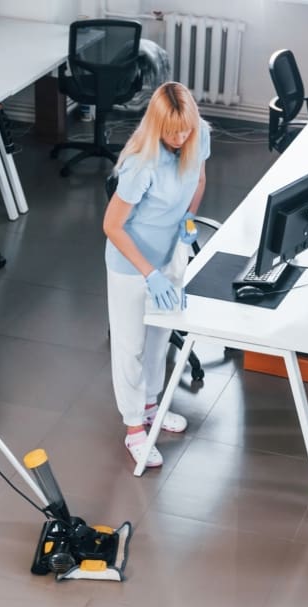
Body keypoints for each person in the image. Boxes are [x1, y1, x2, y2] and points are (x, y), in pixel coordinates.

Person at [102, 82, 210, 468]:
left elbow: (199, 179)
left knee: (160, 339)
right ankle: (134, 427)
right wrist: (149, 273)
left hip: (169, 253)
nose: (180, 139)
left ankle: (151, 408)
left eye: (186, 130)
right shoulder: (141, 163)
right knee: (130, 345)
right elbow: (112, 226)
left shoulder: (199, 135)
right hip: (132, 265)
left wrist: (189, 219)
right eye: (172, 133)